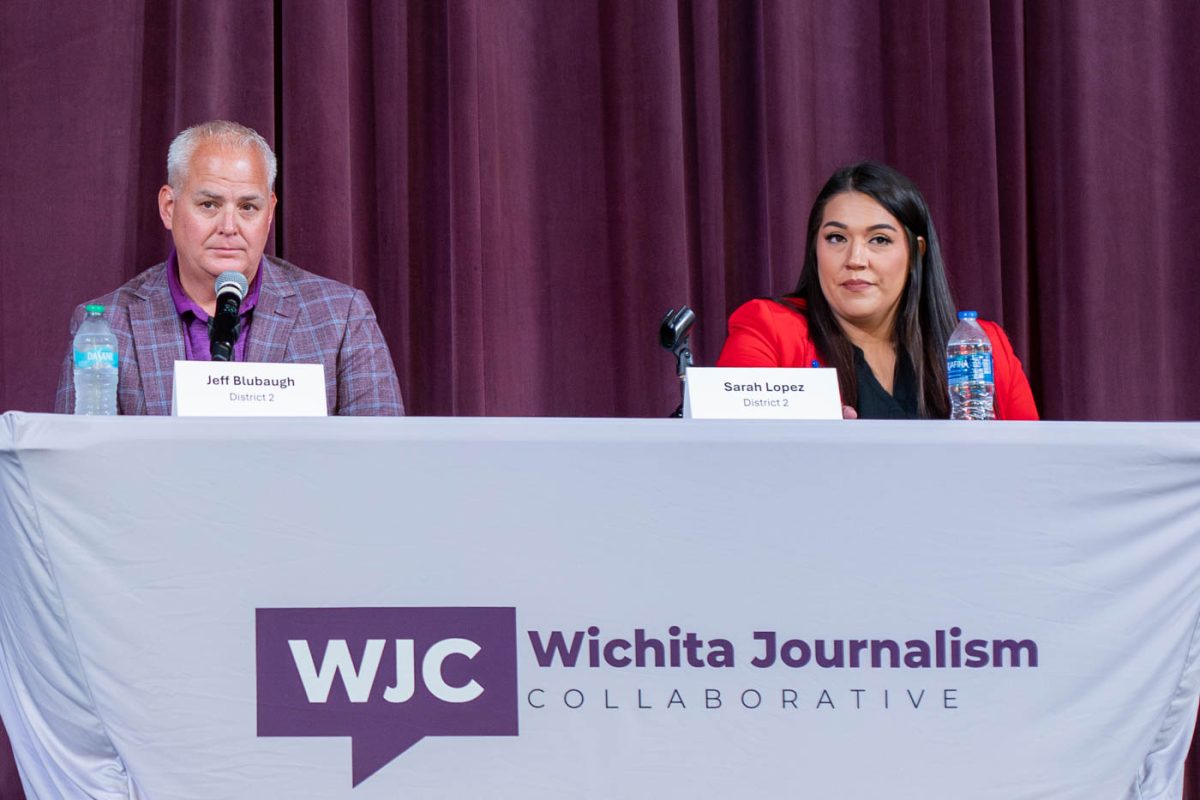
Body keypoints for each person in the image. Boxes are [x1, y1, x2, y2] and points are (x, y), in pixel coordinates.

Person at [54, 120, 404, 416]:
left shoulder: (340, 317)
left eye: (248, 208)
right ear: (168, 207)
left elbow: (383, 467)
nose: (229, 226)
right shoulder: (107, 325)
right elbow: (78, 475)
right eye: (209, 204)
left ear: (269, 213)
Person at [717, 161, 1038, 420]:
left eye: (879, 240)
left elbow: (1031, 470)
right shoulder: (769, 329)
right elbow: (733, 455)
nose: (855, 260)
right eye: (836, 238)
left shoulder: (981, 346)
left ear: (916, 252)